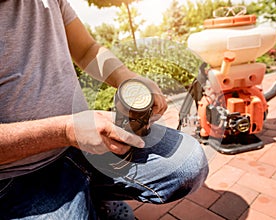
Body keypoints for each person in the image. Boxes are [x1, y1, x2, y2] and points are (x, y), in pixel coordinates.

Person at [0, 0, 209, 219]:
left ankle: (91, 195)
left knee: (188, 163)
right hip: (18, 176)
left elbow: (87, 49)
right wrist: (65, 131)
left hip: (82, 148)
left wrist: (127, 77)